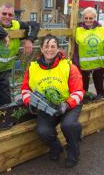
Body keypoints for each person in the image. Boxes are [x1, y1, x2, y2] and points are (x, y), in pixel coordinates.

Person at [21, 34, 85, 168]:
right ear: (42, 49)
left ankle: (73, 153)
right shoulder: (33, 68)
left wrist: (66, 104)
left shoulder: (69, 67)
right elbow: (25, 89)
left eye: (53, 46)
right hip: (46, 106)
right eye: (46, 46)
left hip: (69, 104)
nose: (49, 49)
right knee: (42, 131)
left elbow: (79, 91)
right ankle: (56, 147)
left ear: (58, 49)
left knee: (68, 125)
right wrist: (29, 103)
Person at [0, 4, 39, 107]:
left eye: (10, 15)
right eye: (4, 14)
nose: (7, 17)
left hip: (3, 73)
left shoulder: (16, 24)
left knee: (6, 104)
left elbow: (34, 25)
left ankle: (4, 122)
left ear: (13, 16)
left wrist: (30, 39)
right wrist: (4, 34)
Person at [73, 7, 104, 100]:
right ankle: (84, 101)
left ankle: (100, 99)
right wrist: (75, 64)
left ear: (95, 18)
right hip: (83, 64)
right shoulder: (78, 30)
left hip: (98, 63)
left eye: (91, 18)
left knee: (99, 84)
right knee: (83, 86)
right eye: (86, 18)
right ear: (83, 18)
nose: (88, 20)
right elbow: (76, 48)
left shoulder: (101, 30)